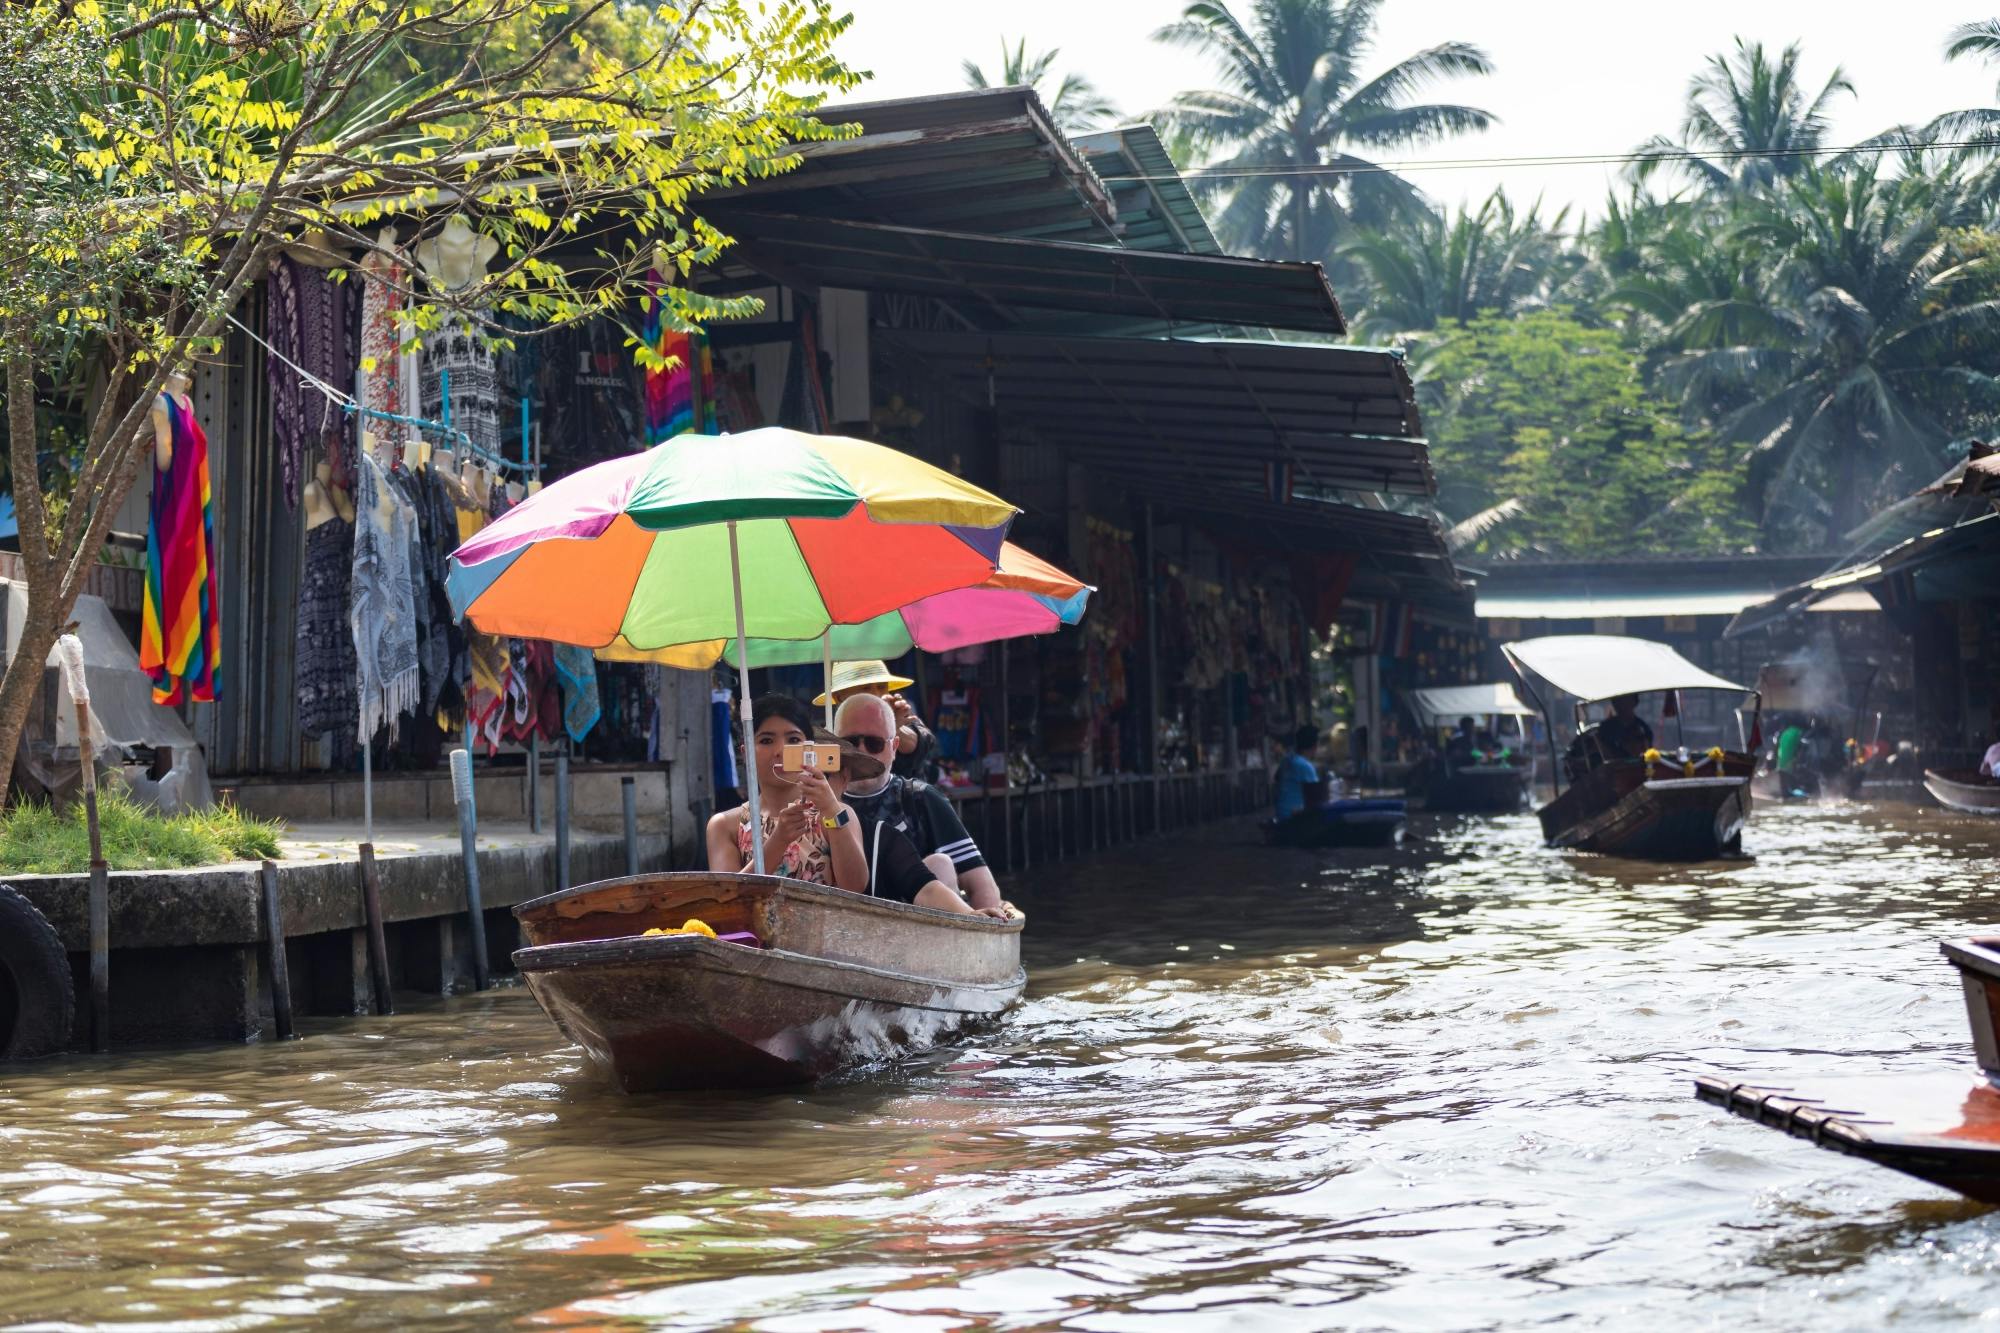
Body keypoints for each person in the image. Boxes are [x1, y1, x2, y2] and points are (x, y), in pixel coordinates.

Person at [833, 693, 1003, 912]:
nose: (862, 751)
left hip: (926, 929)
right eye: (851, 742)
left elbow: (980, 883)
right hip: (840, 923)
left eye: (874, 744)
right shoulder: (819, 801)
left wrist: (985, 934)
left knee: (940, 864)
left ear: (894, 748)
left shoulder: (920, 798)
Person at [705, 695, 868, 891]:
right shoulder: (725, 826)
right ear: (746, 752)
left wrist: (832, 811)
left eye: (793, 739)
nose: (780, 750)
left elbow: (855, 887)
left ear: (810, 749)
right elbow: (727, 895)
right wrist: (779, 840)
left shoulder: (838, 814)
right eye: (766, 740)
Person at [816, 660, 938, 782]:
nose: (876, 694)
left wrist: (892, 727)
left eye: (881, 687)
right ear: (839, 697)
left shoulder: (901, 717)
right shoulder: (826, 737)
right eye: (866, 688)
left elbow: (924, 743)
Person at [1274, 724, 1322, 822]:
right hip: (1294, 818)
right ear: (1314, 746)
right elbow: (1317, 797)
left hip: (1281, 814)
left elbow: (1277, 778)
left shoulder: (1286, 760)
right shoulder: (1304, 766)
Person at [1595, 694, 1654, 761]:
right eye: (1617, 700)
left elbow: (1648, 755)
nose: (1621, 704)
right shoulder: (1605, 728)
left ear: (1634, 702)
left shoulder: (1643, 728)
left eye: (1625, 700)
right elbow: (1602, 754)